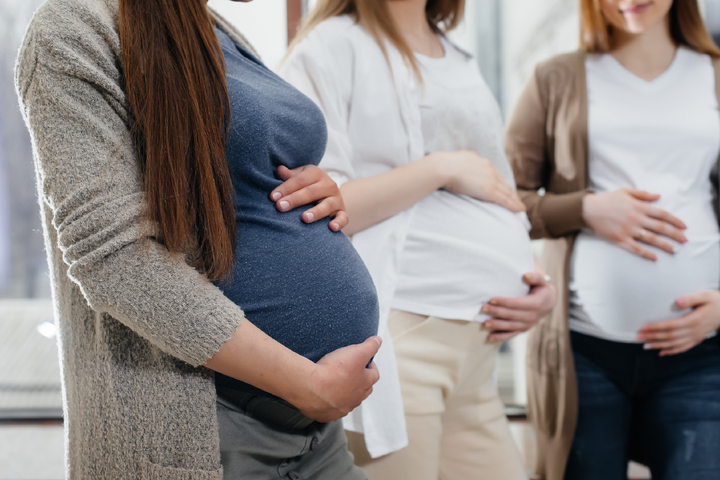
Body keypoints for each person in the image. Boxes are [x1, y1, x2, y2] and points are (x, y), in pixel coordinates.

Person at [15, 0, 383, 478]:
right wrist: (306, 382)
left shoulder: (212, 27)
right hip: (211, 429)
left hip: (312, 432)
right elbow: (115, 262)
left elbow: (235, 178)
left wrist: (317, 188)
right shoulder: (72, 29)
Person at [281, 1, 557, 478]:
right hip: (406, 341)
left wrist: (535, 284)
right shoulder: (331, 46)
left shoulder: (456, 54)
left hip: (480, 347)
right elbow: (315, 207)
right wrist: (440, 167)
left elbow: (498, 189)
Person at [505, 1, 720, 479]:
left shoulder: (714, 75)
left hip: (701, 354)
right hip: (583, 353)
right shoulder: (554, 78)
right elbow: (501, 199)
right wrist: (585, 209)